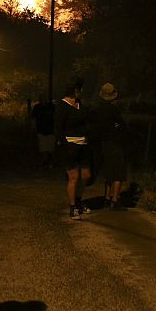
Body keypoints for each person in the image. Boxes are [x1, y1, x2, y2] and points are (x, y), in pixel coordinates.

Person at [54, 77, 91, 220]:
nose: (82, 91)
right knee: (73, 177)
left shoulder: (80, 103)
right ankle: (73, 206)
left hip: (84, 145)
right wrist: (64, 145)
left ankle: (79, 200)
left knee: (86, 176)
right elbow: (58, 128)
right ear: (75, 89)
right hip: (70, 145)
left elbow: (86, 121)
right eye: (80, 88)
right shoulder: (62, 105)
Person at [90, 83, 129, 211]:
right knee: (118, 172)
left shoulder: (97, 110)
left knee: (108, 172)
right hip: (114, 143)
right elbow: (122, 126)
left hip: (103, 143)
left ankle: (107, 197)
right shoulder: (113, 110)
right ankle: (115, 200)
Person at [31, 94, 56, 168]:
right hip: (41, 130)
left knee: (50, 148)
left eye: (44, 98)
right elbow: (34, 118)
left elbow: (56, 117)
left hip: (50, 130)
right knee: (43, 148)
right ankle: (45, 161)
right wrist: (34, 127)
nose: (43, 99)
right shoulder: (37, 107)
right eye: (41, 98)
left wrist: (56, 127)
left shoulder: (52, 107)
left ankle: (49, 161)